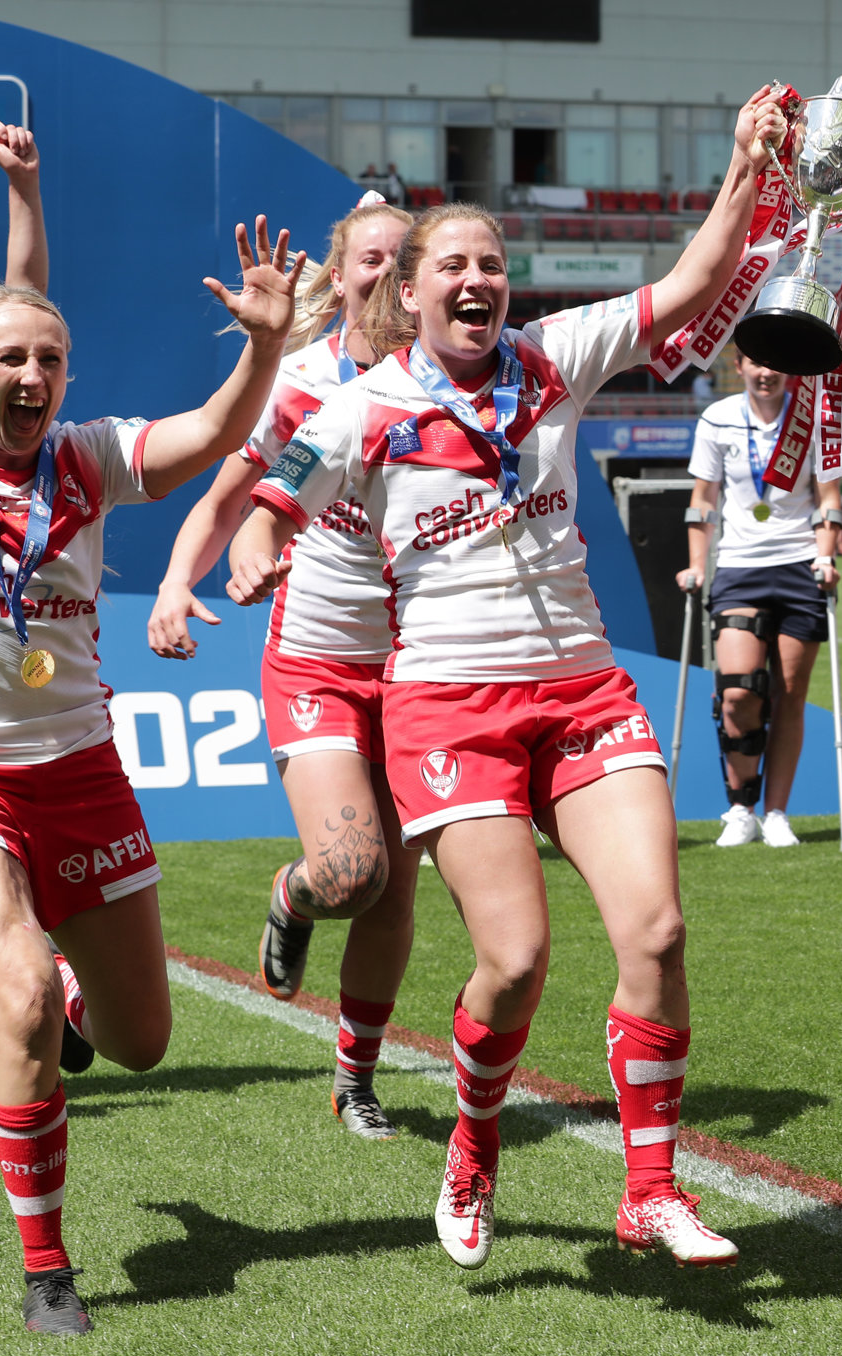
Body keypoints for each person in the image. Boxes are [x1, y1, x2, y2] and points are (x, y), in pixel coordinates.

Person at [228, 87, 788, 1272]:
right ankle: (473, 1144)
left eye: (492, 263)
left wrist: (743, 169)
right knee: (517, 957)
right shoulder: (362, 407)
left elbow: (689, 284)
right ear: (409, 292)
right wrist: (247, 552)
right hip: (452, 706)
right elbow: (267, 499)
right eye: (454, 268)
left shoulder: (553, 358)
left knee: (658, 926)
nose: (478, 280)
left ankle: (648, 1191)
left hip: (582, 691)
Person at [0, 122, 304, 1336]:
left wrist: (260, 352)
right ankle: (48, 1266)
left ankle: (63, 972)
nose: (35, 374)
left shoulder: (89, 462)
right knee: (24, 1015)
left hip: (84, 769)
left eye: (52, 358)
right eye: (9, 359)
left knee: (143, 1040)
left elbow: (210, 436)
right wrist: (25, 194)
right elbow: (15, 301)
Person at [147, 193, 420, 1140]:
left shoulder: (454, 378)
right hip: (317, 654)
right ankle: (292, 893)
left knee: (397, 883)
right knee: (350, 874)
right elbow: (228, 497)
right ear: (338, 279)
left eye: (402, 259)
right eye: (370, 259)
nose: (386, 274)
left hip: (424, 662)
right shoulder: (301, 380)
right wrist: (182, 580)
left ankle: (356, 1076)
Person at [683, 348, 842, 846]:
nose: (766, 372)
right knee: (737, 693)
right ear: (740, 365)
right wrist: (695, 564)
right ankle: (740, 807)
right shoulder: (718, 419)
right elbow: (703, 500)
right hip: (738, 568)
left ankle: (775, 813)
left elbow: (829, 500)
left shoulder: (814, 420)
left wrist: (826, 554)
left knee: (789, 696)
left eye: (774, 363)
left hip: (799, 567)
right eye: (755, 362)